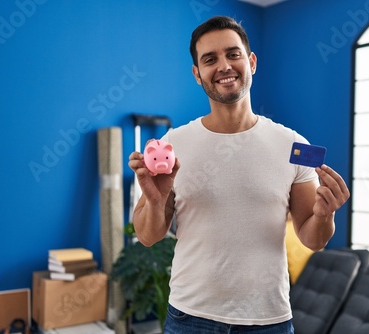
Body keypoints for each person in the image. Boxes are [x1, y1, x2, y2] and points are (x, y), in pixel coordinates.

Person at [128, 16, 350, 334]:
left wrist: (324, 214)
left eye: (233, 54)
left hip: (268, 320)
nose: (224, 66)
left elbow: (312, 239)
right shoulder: (172, 145)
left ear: (251, 61)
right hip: (191, 318)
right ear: (197, 74)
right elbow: (148, 236)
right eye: (210, 59)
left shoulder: (292, 145)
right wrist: (154, 200)